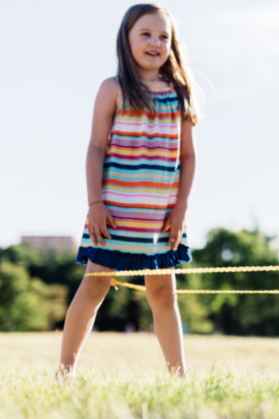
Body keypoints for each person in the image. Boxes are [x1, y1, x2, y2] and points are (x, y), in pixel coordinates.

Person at [58, 3, 198, 378]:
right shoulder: (113, 89)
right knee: (93, 289)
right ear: (127, 39)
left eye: (163, 36)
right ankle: (65, 372)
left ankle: (178, 376)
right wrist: (95, 203)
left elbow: (188, 156)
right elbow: (95, 149)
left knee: (163, 296)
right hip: (114, 213)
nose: (155, 42)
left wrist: (181, 209)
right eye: (146, 34)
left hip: (160, 218)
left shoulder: (179, 94)